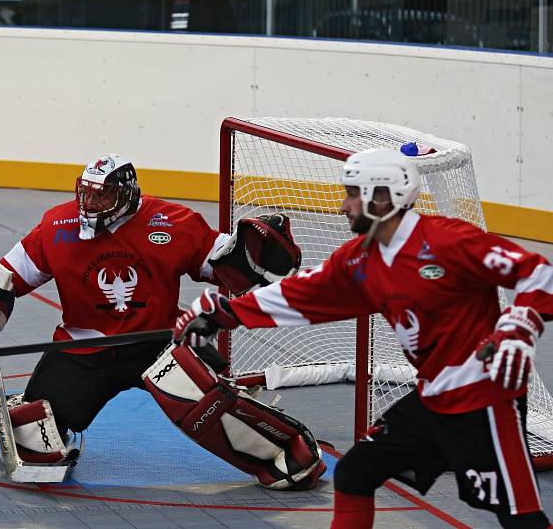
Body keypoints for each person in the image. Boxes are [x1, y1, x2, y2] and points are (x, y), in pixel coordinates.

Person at [175, 147, 553, 528]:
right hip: (433, 399)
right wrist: (222, 314)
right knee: (356, 473)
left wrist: (520, 327)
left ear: (384, 195)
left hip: (486, 401)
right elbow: (300, 294)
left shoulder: (449, 241)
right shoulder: (358, 259)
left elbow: (539, 274)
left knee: (521, 518)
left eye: (354, 193)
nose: (344, 206)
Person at [0, 153, 325, 489]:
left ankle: (288, 451)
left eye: (100, 195)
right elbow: (9, 275)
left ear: (124, 194)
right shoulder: (57, 226)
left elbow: (219, 265)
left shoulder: (173, 221)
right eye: (84, 193)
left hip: (157, 343)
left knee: (203, 404)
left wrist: (252, 257)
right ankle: (35, 406)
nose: (89, 203)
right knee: (32, 442)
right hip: (82, 348)